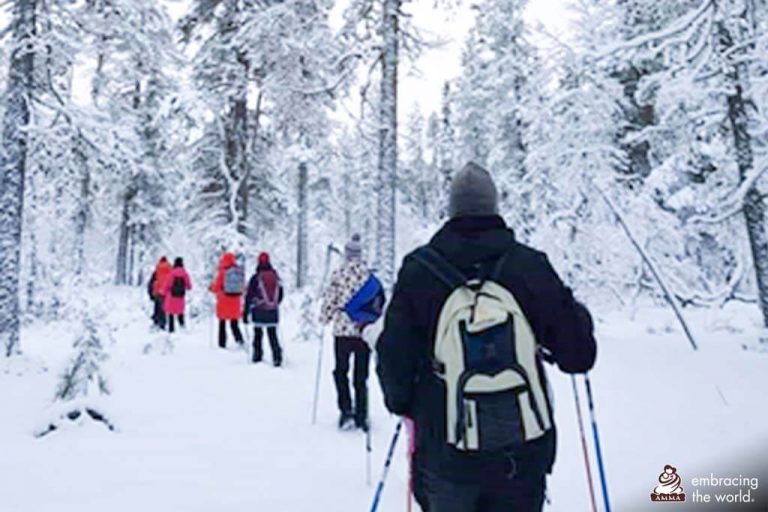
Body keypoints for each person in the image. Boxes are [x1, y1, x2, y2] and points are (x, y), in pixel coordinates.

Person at [376, 162, 597, 512]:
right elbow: (579, 355)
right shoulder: (530, 265)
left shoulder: (419, 270)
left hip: (446, 454)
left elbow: (393, 359)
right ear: (494, 207)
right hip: (522, 455)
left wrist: (404, 403)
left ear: (451, 211)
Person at [320, 234, 373, 431]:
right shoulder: (368, 275)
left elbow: (330, 300)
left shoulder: (338, 274)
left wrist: (324, 318)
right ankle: (362, 415)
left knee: (340, 371)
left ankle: (345, 411)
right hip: (363, 332)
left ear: (346, 254)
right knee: (361, 375)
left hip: (342, 330)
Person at [244, 252, 284, 367]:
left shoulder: (255, 278)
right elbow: (281, 293)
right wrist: (274, 304)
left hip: (259, 310)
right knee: (272, 334)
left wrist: (245, 313)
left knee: (258, 334)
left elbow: (249, 296)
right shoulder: (275, 276)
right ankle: (277, 357)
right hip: (272, 311)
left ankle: (257, 356)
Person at [209, 252, 245, 349]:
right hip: (235, 302)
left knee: (222, 324)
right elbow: (243, 288)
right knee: (234, 324)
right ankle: (240, 341)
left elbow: (216, 288)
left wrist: (211, 288)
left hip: (223, 301)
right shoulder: (238, 272)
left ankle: (222, 344)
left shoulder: (222, 272)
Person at [162, 257, 192, 333]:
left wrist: (163, 292)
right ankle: (182, 328)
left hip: (171, 296)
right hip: (180, 297)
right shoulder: (185, 274)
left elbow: (167, 284)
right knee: (180, 313)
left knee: (171, 314)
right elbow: (189, 286)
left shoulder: (172, 273)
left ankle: (171, 330)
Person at [149, 256, 171, 329]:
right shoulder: (170, 270)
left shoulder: (157, 270)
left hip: (157, 291)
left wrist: (150, 293)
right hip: (167, 292)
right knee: (164, 308)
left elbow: (151, 282)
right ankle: (163, 324)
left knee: (157, 306)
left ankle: (157, 321)